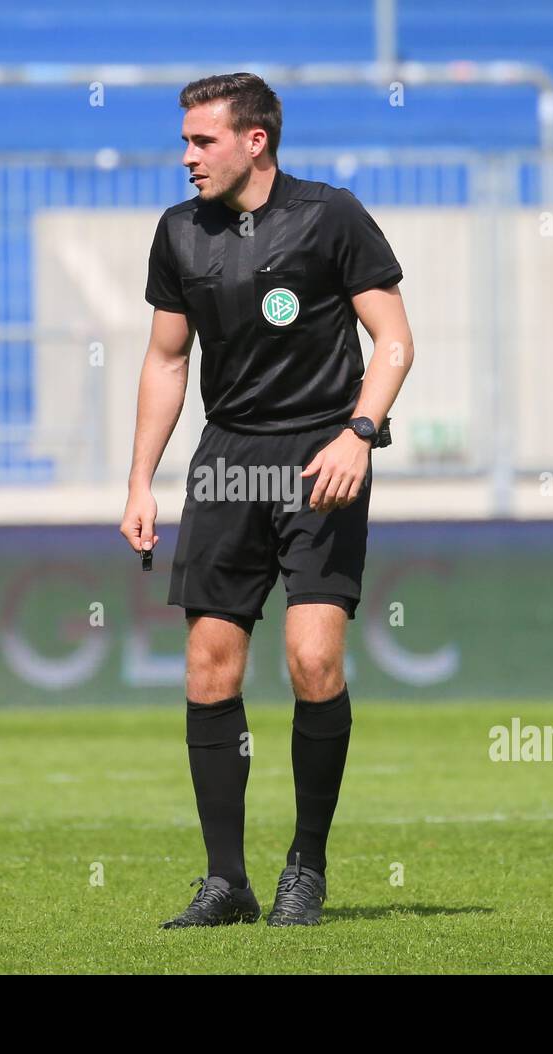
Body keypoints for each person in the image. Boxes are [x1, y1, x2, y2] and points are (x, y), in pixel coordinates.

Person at [119, 72, 415, 927]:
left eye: (201, 141)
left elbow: (393, 339)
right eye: (184, 140)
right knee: (210, 667)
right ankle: (226, 881)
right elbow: (167, 361)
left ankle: (306, 869)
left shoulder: (331, 216)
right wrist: (141, 477)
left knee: (313, 661)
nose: (186, 157)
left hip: (321, 451)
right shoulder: (178, 233)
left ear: (255, 141)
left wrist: (360, 433)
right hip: (226, 461)